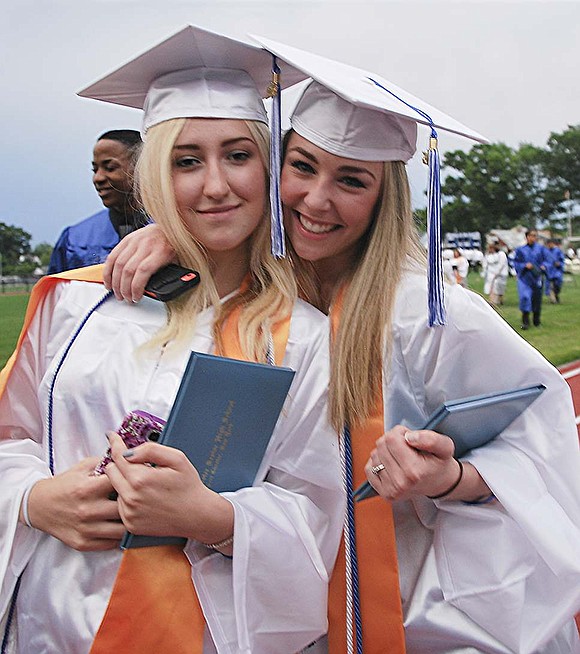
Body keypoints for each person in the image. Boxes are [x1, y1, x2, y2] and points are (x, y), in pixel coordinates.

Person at [102, 37, 580, 654]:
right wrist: (172, 232)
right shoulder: (255, 287)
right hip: (262, 602)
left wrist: (452, 477)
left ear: (385, 197)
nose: (316, 201)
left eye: (351, 180)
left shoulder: (428, 315)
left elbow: (540, 445)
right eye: (302, 168)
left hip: (406, 604)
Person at [0, 26, 345, 654]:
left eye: (238, 155)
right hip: (48, 624)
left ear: (269, 168)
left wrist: (215, 518)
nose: (215, 185)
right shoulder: (74, 302)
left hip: (198, 633)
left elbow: (322, 516)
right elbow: (13, 436)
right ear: (157, 176)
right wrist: (33, 500)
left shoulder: (303, 337)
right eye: (186, 161)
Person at [46, 129, 148, 273]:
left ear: (141, 167)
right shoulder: (75, 239)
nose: (98, 178)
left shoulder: (174, 230)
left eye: (110, 168)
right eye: (95, 170)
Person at [513, 229, 549, 329]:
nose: (533, 238)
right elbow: (516, 263)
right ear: (527, 237)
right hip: (524, 278)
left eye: (535, 236)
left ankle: (536, 322)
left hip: (537, 278)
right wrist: (524, 265)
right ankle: (525, 322)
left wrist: (544, 266)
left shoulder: (541, 249)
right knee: (525, 297)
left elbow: (547, 260)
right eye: (531, 235)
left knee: (537, 299)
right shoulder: (520, 250)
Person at [482, 241, 509, 305]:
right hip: (491, 274)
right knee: (492, 287)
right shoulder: (488, 255)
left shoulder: (501, 254)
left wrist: (497, 273)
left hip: (501, 274)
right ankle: (492, 301)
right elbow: (485, 263)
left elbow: (501, 264)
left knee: (500, 288)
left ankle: (500, 300)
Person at [544, 238, 565, 303]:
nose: (550, 245)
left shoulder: (558, 251)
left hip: (557, 271)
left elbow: (562, 260)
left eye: (551, 244)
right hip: (549, 271)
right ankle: (553, 299)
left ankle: (556, 295)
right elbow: (543, 260)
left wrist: (559, 263)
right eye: (548, 244)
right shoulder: (545, 252)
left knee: (557, 284)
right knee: (549, 286)